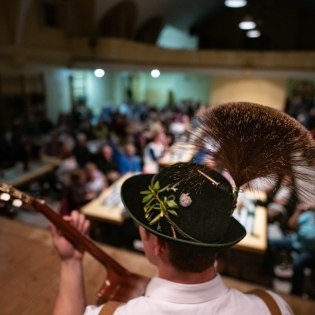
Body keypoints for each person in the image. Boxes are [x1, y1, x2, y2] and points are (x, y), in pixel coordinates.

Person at [51, 102, 315, 315]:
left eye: (144, 229)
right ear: (218, 242)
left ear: (157, 245)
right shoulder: (273, 307)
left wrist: (70, 262)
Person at [265, 202, 315, 296]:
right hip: (295, 240)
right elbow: (291, 225)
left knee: (297, 265)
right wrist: (298, 211)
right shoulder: (309, 215)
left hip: (310, 250)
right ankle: (268, 271)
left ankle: (296, 293)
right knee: (271, 243)